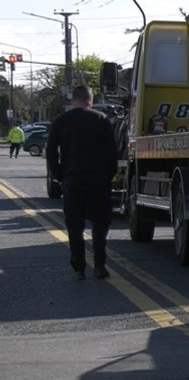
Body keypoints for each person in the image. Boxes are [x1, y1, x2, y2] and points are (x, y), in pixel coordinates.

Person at [46, 86, 119, 281]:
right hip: (98, 180)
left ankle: (79, 268)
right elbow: (113, 152)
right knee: (100, 224)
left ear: (73, 100)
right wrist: (108, 176)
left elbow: (51, 152)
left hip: (73, 180)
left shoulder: (62, 121)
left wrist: (61, 176)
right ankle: (100, 265)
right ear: (90, 99)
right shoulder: (101, 119)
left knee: (75, 226)